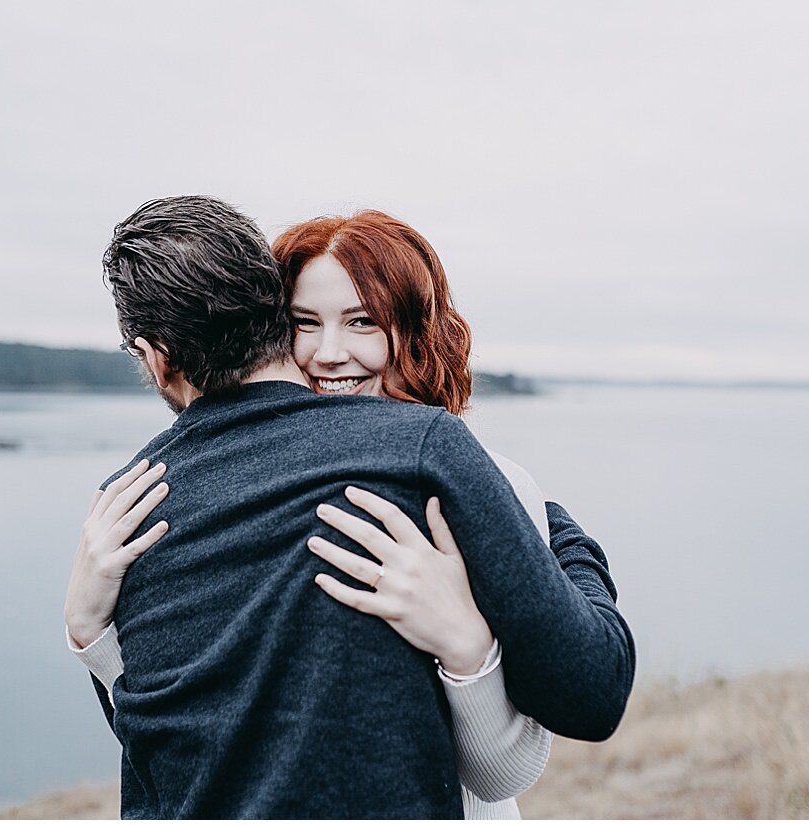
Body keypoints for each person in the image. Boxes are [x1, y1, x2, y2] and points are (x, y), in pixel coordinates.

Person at [64, 195, 634, 818]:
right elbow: (186, 739)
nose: (329, 352)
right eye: (304, 323)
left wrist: (470, 638)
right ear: (271, 325)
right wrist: (87, 629)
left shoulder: (467, 473)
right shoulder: (167, 504)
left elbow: (506, 773)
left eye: (362, 321)